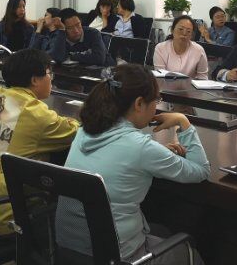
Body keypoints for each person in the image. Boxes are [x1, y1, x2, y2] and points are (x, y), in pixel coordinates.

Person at [56, 64, 210, 263]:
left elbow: (122, 155)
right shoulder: (141, 148)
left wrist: (157, 154)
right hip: (119, 256)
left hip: (71, 249)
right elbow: (201, 171)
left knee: (161, 230)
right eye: (156, 100)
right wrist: (183, 121)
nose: (157, 105)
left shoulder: (84, 131)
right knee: (191, 253)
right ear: (139, 103)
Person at [0, 48, 79, 236]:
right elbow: (74, 132)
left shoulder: (0, 95)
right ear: (34, 80)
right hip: (11, 208)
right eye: (49, 73)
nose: (51, 79)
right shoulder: (32, 110)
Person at [49, 8, 115, 67]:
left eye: (78, 25)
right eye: (70, 28)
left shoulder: (93, 33)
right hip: (77, 73)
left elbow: (99, 58)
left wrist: (70, 56)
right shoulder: (60, 36)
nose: (76, 31)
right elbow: (57, 58)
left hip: (105, 71)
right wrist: (61, 30)